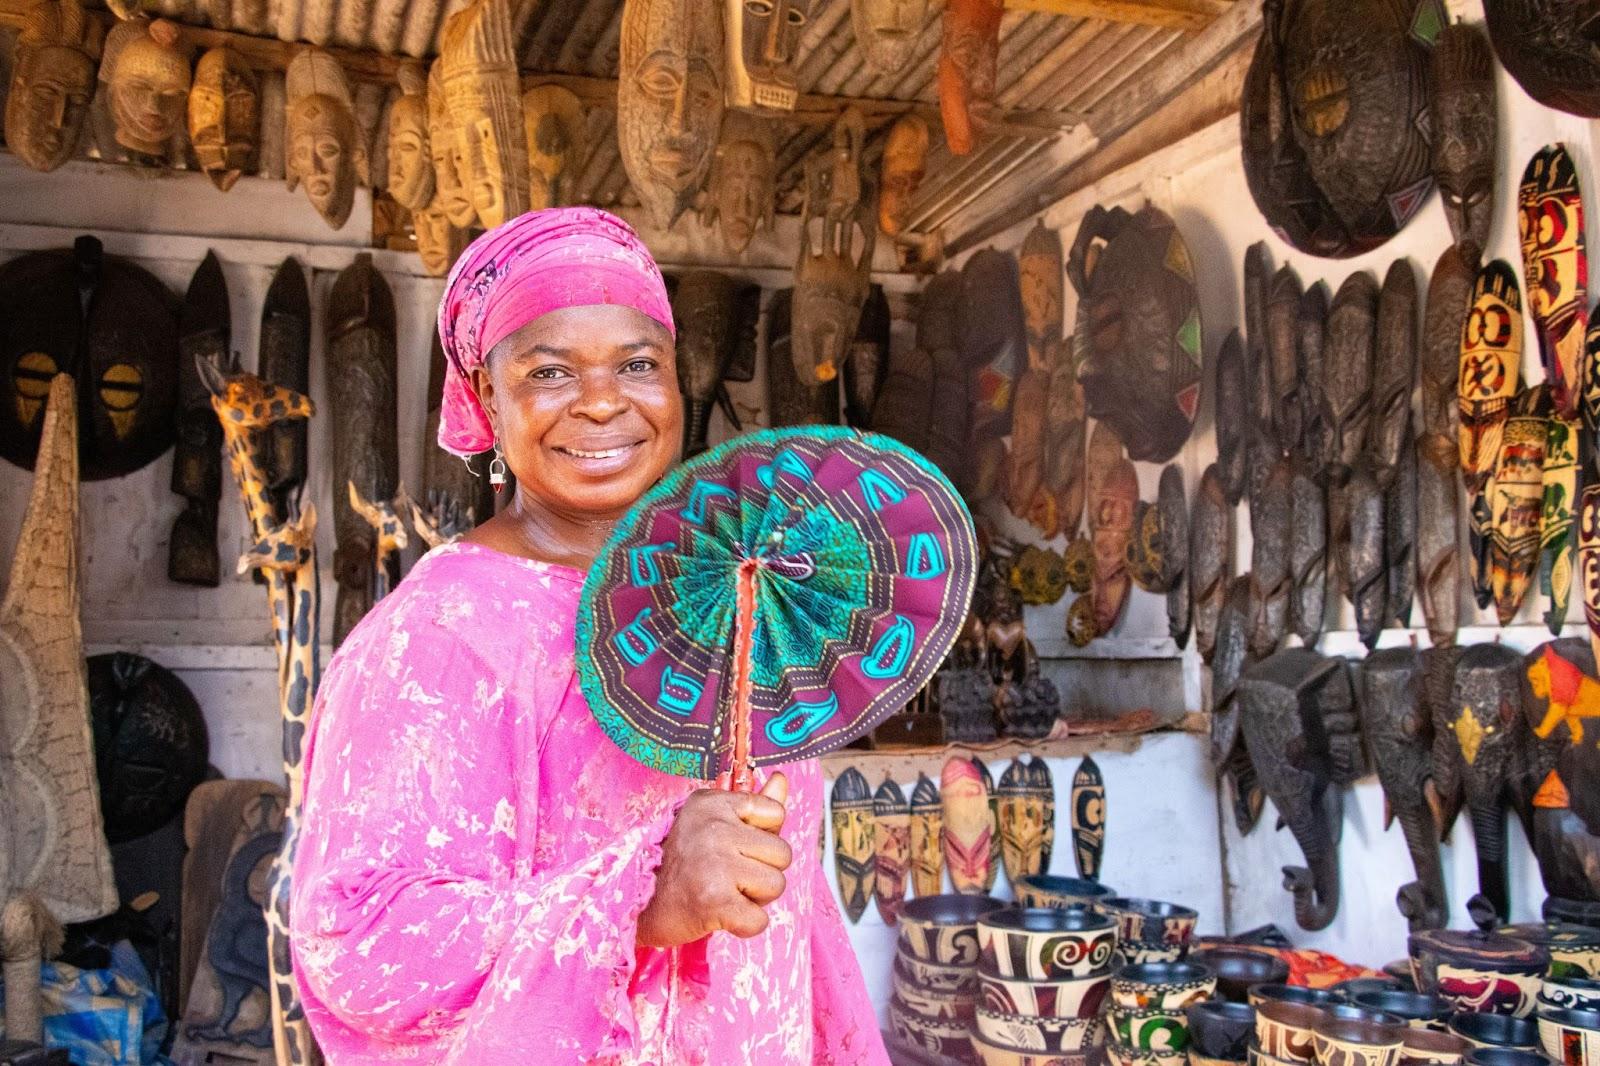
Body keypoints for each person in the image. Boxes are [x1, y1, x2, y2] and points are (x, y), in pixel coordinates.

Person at [289, 207, 889, 1064]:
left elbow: (790, 914)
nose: (604, 400)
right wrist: (642, 897)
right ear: (486, 399)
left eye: (638, 363)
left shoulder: (730, 595)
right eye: (550, 371)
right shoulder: (439, 639)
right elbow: (358, 942)